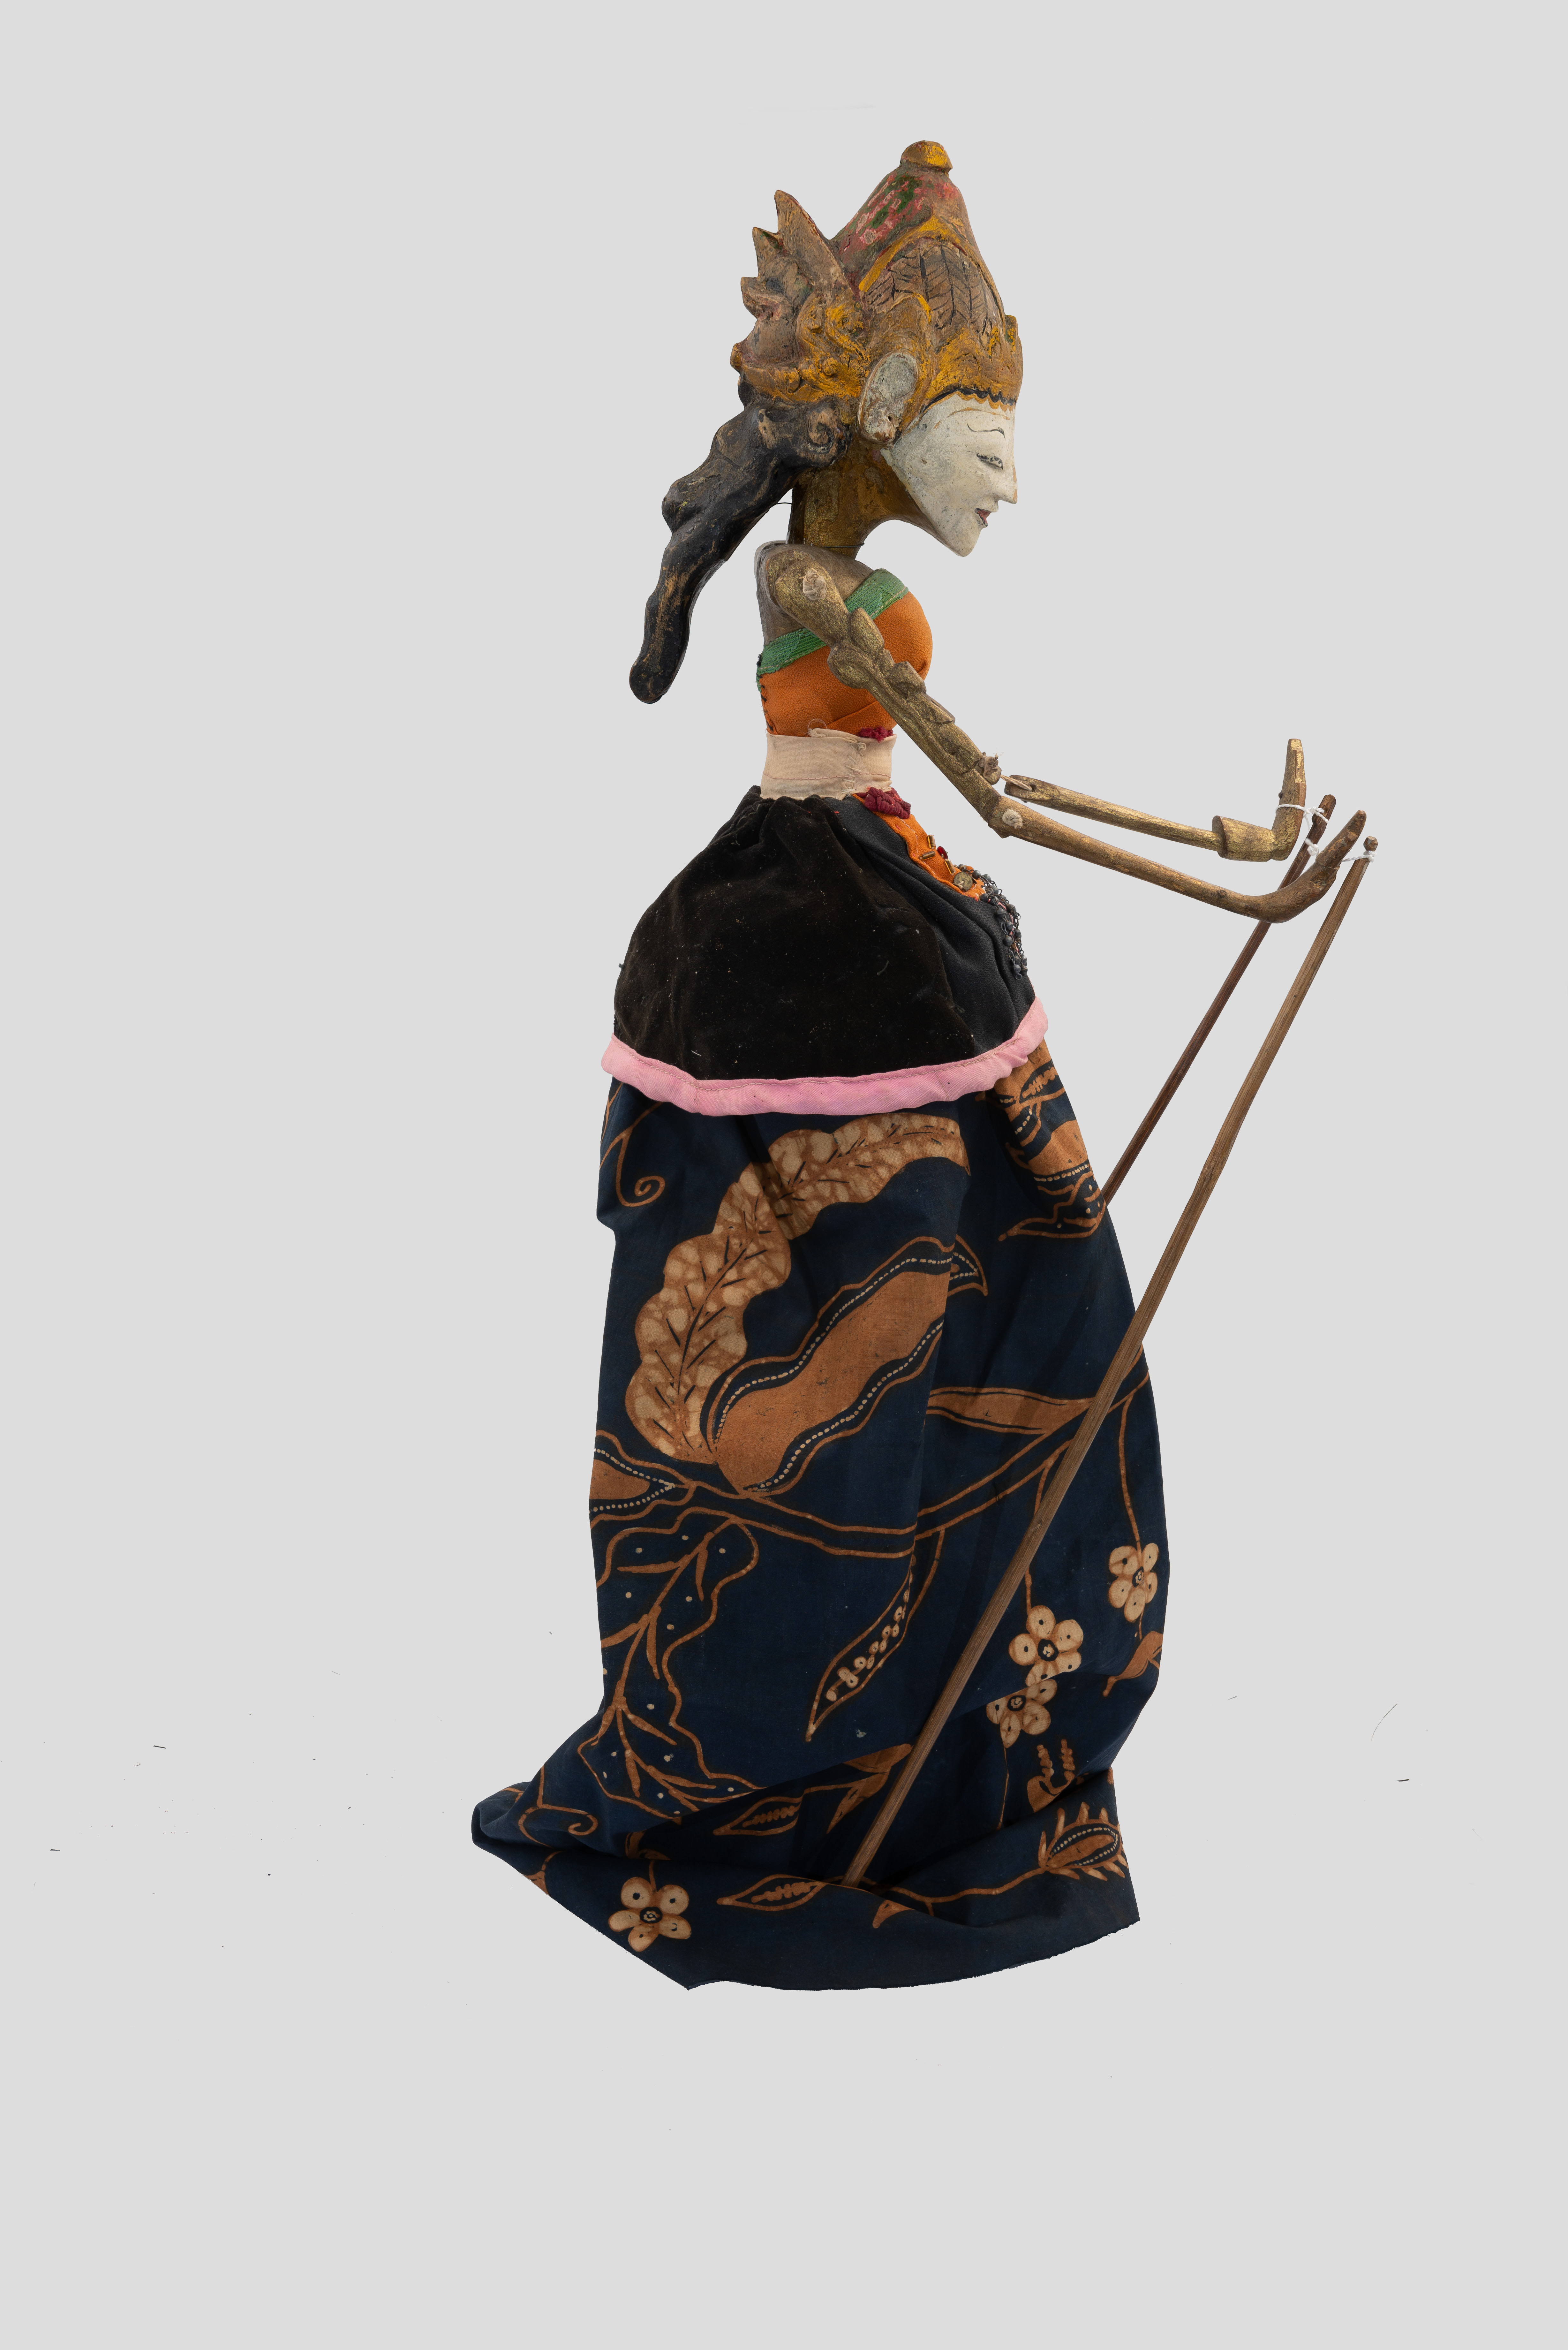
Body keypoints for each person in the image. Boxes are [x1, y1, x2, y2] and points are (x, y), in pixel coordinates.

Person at [473, 144, 1166, 1990]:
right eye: (984, 434)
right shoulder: (810, 574)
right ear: (885, 411)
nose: (1008, 476)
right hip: (814, 926)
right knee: (838, 1331)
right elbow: (995, 785)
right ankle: (792, 1729)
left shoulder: (839, 577)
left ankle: (945, 1700)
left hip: (892, 904)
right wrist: (1226, 870)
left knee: (1003, 1307)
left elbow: (978, 794)